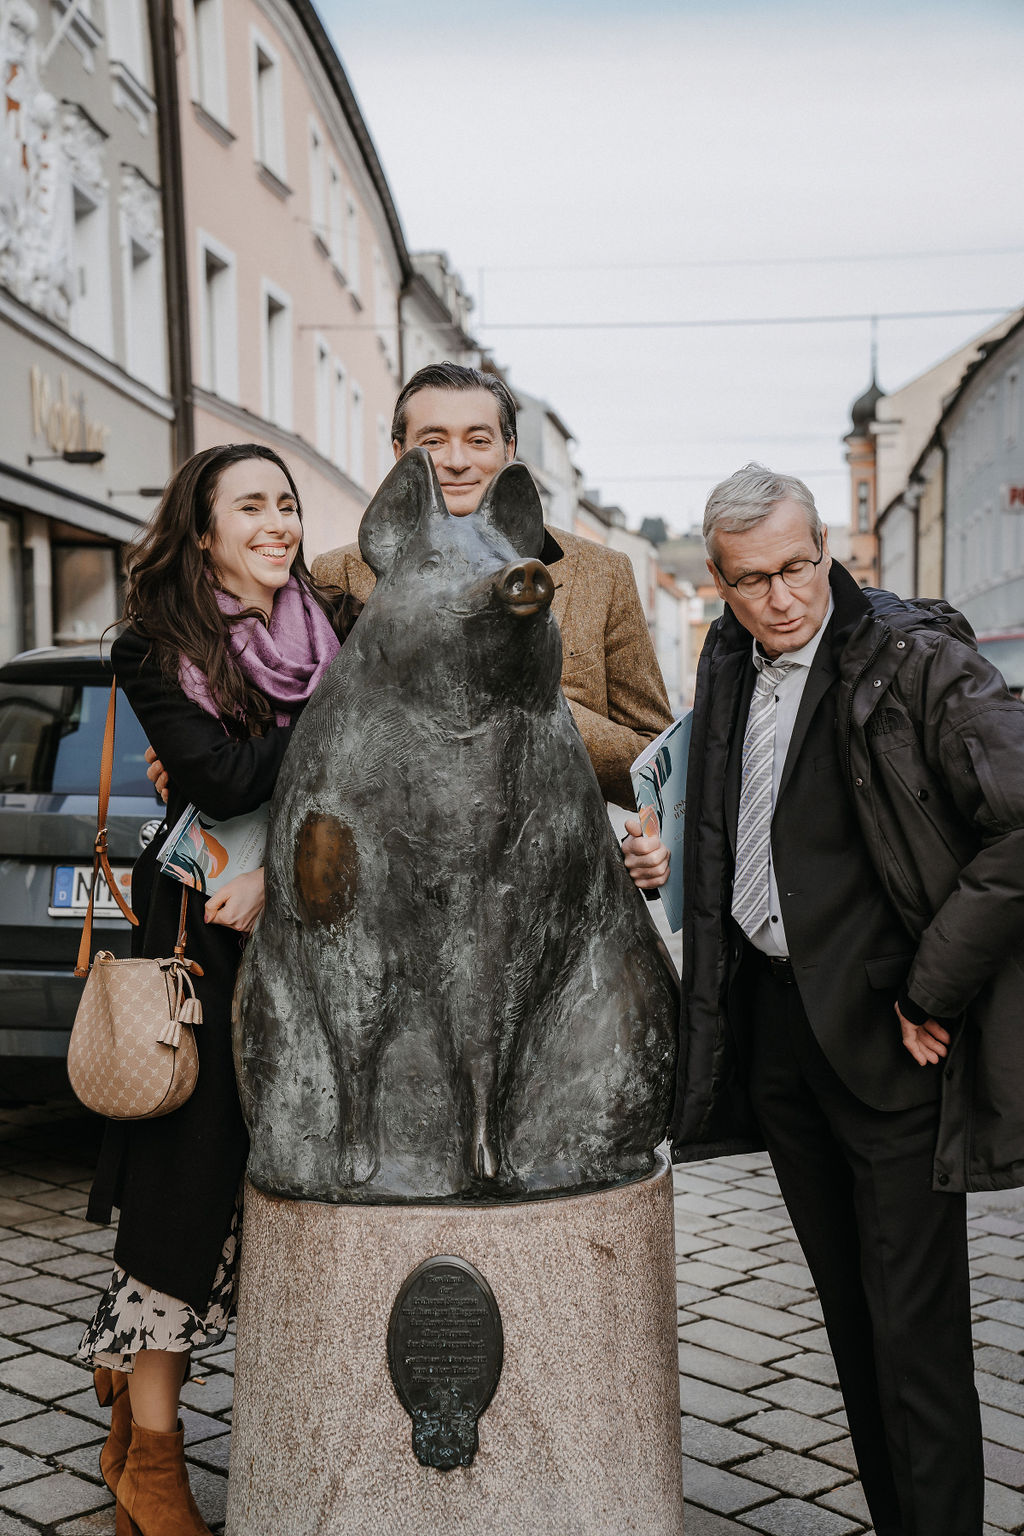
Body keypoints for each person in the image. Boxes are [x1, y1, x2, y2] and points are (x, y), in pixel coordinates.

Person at [671, 462, 1024, 1536]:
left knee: (912, 1337)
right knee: (851, 1324)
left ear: (830, 550)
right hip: (776, 1034)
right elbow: (725, 814)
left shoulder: (917, 660)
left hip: (891, 1038)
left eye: (797, 566)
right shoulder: (727, 656)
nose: (781, 597)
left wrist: (935, 986)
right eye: (751, 580)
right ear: (717, 584)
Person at [77, 443, 358, 1536]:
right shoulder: (157, 645)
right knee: (182, 1202)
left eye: (286, 503)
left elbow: (378, 774)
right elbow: (218, 777)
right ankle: (152, 1454)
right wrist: (338, 724)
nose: (278, 522)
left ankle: (149, 1403)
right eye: (252, 506)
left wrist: (280, 862)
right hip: (204, 939)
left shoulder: (338, 616)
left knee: (292, 1197)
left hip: (310, 927)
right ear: (202, 530)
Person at [309, 362, 674, 889]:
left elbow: (654, 766)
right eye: (433, 441)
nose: (457, 461)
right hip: (394, 897)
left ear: (509, 449)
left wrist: (528, 697)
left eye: (478, 440)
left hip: (554, 893)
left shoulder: (602, 574)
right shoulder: (341, 574)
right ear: (399, 455)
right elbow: (312, 742)